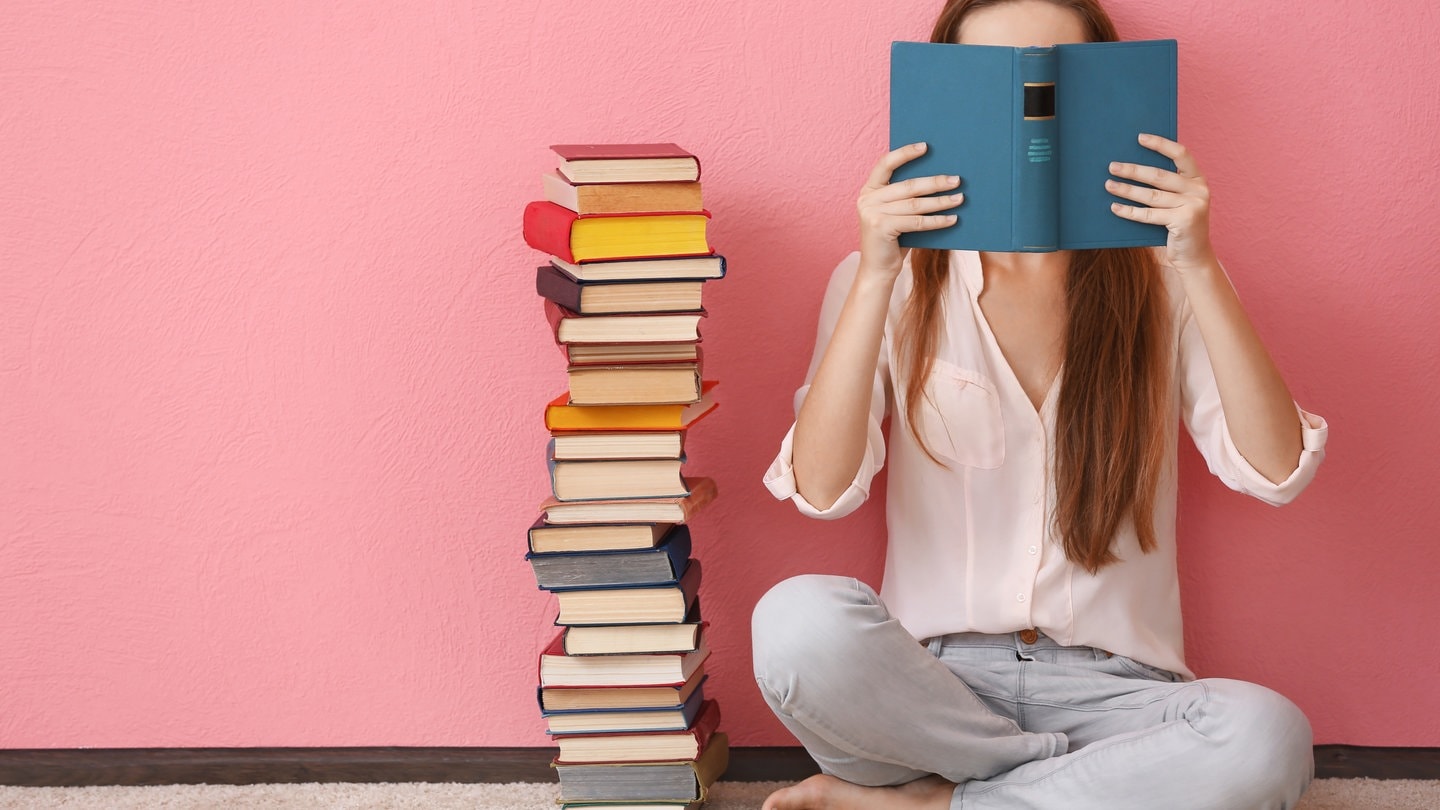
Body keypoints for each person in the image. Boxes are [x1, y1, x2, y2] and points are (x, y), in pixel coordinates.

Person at [751, 1, 1329, 808]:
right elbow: (820, 488)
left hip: (1120, 696)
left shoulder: (1167, 280)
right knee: (795, 621)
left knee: (1267, 737)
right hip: (928, 695)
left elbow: (1275, 471)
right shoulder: (879, 282)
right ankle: (1049, 791)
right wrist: (878, 273)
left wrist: (1197, 262)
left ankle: (933, 802)